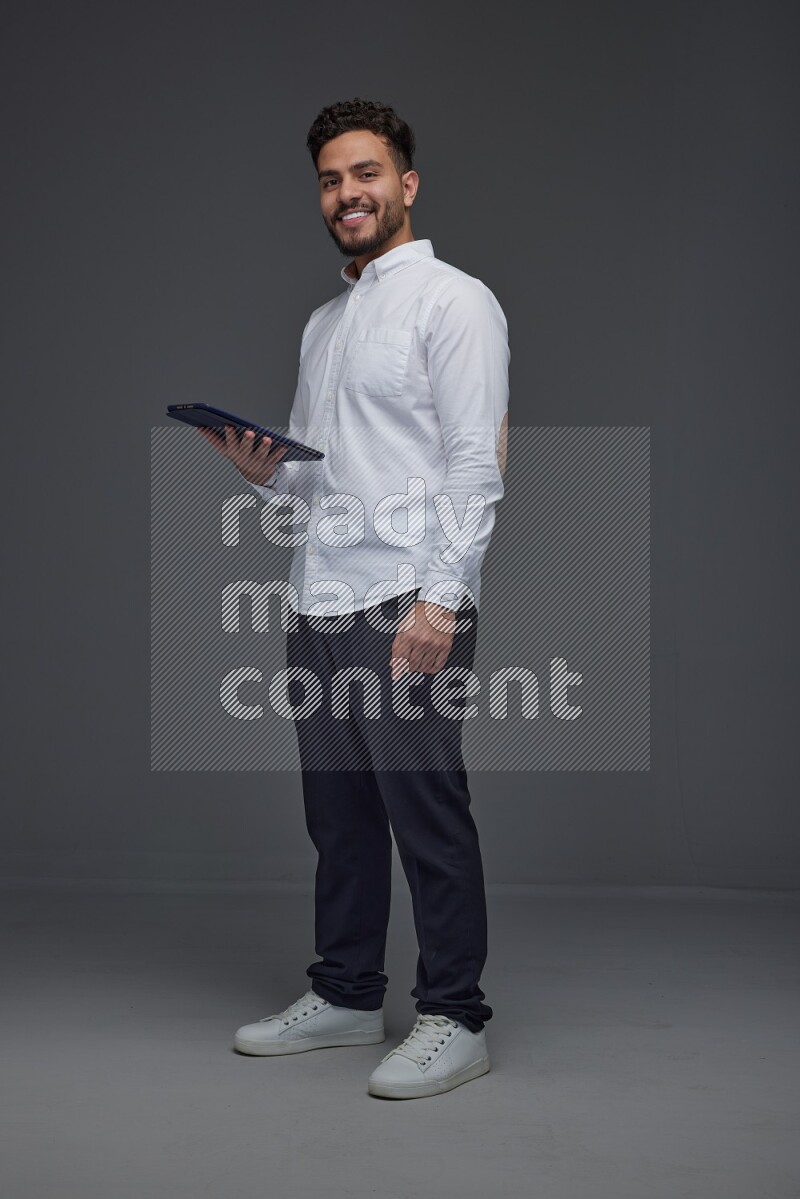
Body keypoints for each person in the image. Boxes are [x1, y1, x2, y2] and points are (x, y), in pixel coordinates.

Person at [198, 97, 509, 1099]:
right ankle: (343, 993)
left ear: (405, 183)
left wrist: (440, 600)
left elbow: (475, 464)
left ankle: (454, 1013)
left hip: (405, 599)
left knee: (426, 811)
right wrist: (259, 470)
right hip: (319, 597)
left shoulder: (454, 302)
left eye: (365, 173)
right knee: (336, 817)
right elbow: (313, 478)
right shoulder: (323, 323)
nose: (348, 193)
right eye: (332, 179)